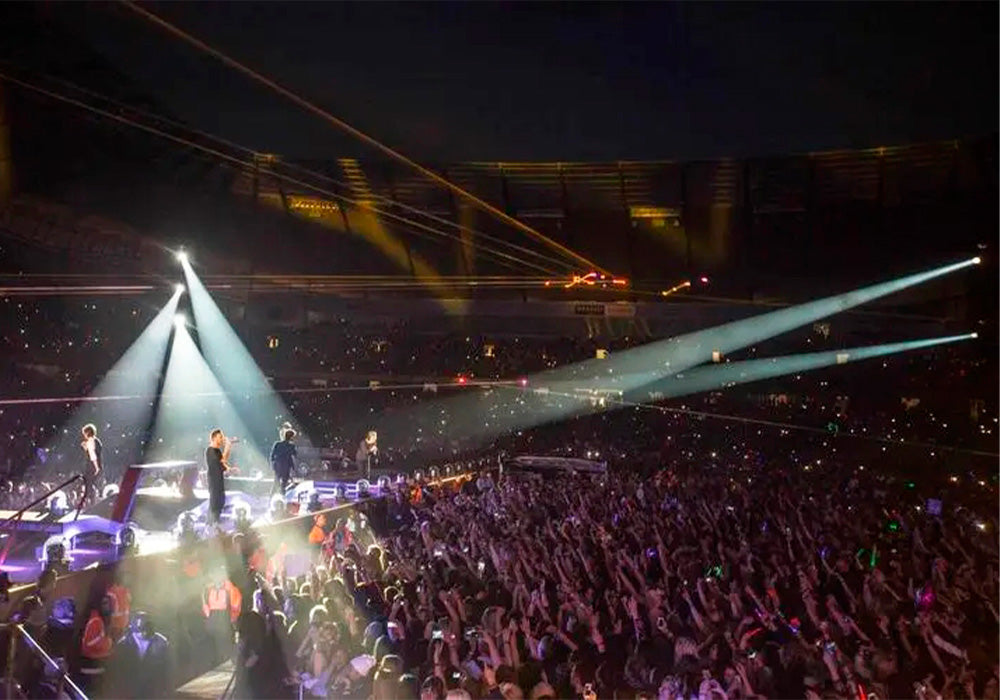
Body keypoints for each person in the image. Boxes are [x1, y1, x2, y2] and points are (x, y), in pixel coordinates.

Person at [205, 428, 232, 526]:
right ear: (214, 438)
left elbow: (223, 463)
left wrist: (229, 469)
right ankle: (210, 523)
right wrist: (227, 447)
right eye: (220, 437)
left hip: (219, 479)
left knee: (221, 500)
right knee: (215, 502)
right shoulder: (210, 450)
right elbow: (221, 461)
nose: (222, 439)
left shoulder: (217, 451)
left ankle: (215, 522)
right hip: (213, 480)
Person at [79, 423, 102, 508]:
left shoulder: (90, 441)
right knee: (91, 485)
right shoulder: (97, 440)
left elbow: (93, 456)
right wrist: (86, 448)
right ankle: (91, 503)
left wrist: (96, 467)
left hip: (91, 466)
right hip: (96, 464)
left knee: (89, 485)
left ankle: (91, 504)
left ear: (87, 432)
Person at [270, 428, 298, 495]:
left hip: (278, 465)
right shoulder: (291, 446)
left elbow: (272, 456)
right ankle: (282, 495)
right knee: (284, 483)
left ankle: (271, 495)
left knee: (276, 481)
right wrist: (293, 467)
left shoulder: (277, 444)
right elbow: (294, 455)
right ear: (291, 437)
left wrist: (273, 465)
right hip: (286, 466)